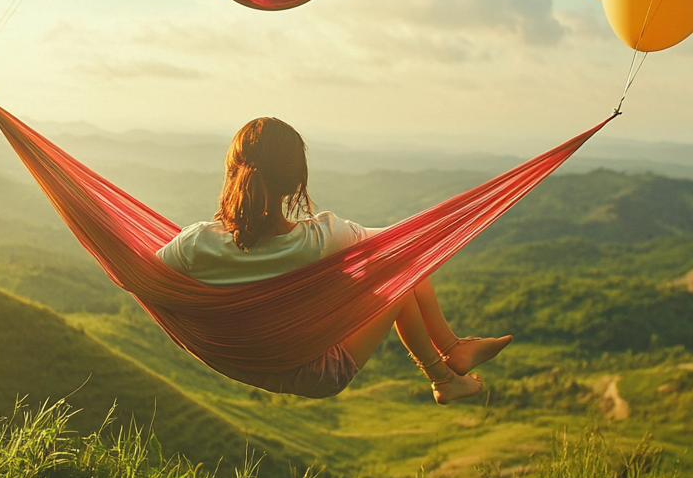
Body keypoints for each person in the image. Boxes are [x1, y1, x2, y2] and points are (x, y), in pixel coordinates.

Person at [157, 117, 512, 404]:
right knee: (401, 278)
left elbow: (137, 274)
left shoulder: (194, 244)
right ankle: (445, 372)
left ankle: (453, 355)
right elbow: (398, 246)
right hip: (317, 372)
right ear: (296, 182)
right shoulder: (321, 239)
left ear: (233, 172)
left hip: (240, 361)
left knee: (399, 271)